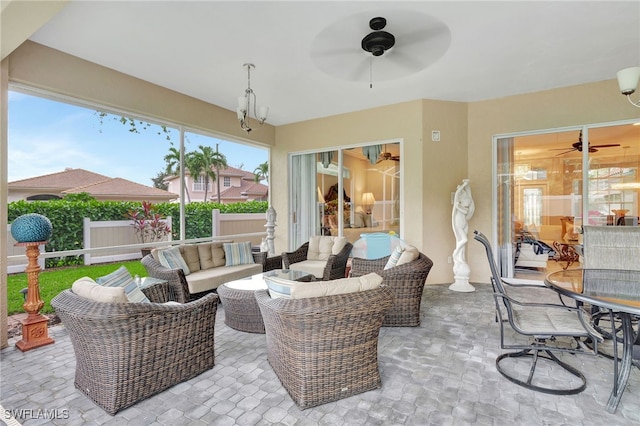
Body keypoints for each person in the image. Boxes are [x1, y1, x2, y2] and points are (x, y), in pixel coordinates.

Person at [452, 179, 475, 264]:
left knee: (463, 244)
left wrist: (467, 184)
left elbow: (470, 194)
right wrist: (463, 185)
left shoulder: (467, 199)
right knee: (464, 240)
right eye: (462, 193)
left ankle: (461, 258)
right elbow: (465, 211)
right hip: (459, 222)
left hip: (465, 222)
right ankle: (456, 253)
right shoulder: (457, 203)